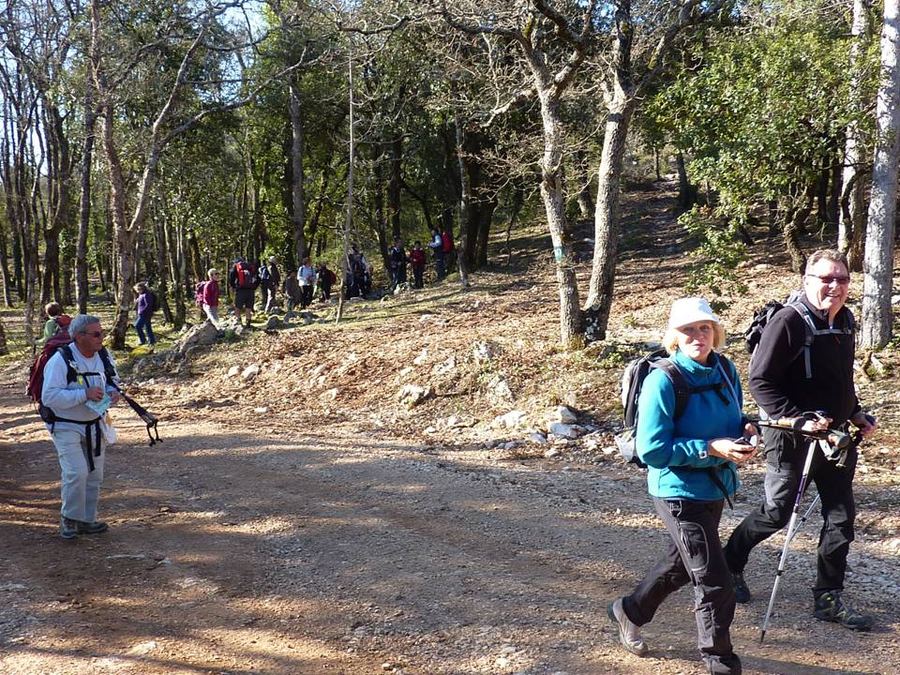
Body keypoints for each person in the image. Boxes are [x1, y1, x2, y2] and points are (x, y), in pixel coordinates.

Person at [724, 249, 877, 631]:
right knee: (777, 512)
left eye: (841, 279)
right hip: (790, 437)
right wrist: (796, 419)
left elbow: (840, 378)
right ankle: (729, 563)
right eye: (826, 278)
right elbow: (760, 381)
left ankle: (828, 597)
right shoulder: (788, 321)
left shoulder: (845, 320)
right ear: (807, 280)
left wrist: (855, 412)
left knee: (841, 516)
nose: (835, 286)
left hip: (834, 438)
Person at [607, 297, 757, 675]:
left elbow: (733, 416)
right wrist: (710, 448)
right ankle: (720, 662)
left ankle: (629, 611)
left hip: (715, 486)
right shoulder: (664, 380)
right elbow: (652, 450)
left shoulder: (725, 369)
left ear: (715, 332)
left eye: (704, 328)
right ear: (674, 336)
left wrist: (746, 430)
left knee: (681, 563)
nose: (698, 335)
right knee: (715, 581)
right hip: (677, 492)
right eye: (688, 329)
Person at [41, 314, 121, 540]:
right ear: (78, 336)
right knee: (76, 472)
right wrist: (84, 394)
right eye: (96, 334)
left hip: (96, 423)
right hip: (65, 425)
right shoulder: (60, 360)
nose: (101, 337)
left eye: (102, 333)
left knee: (95, 474)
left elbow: (113, 380)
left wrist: (113, 392)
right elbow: (49, 396)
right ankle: (69, 518)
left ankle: (86, 520)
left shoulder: (103, 355)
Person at [228, 257, 258, 328]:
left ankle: (239, 323)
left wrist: (234, 286)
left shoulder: (236, 267)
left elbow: (231, 278)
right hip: (250, 290)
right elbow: (258, 277)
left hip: (240, 290)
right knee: (248, 308)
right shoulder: (250, 267)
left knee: (238, 307)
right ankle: (248, 324)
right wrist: (254, 287)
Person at [133, 282, 156, 347]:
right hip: (143, 314)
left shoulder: (147, 294)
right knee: (148, 327)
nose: (137, 291)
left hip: (145, 314)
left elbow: (148, 305)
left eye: (138, 289)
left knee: (137, 326)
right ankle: (151, 341)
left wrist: (142, 311)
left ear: (141, 288)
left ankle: (143, 340)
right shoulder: (141, 294)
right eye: (137, 290)